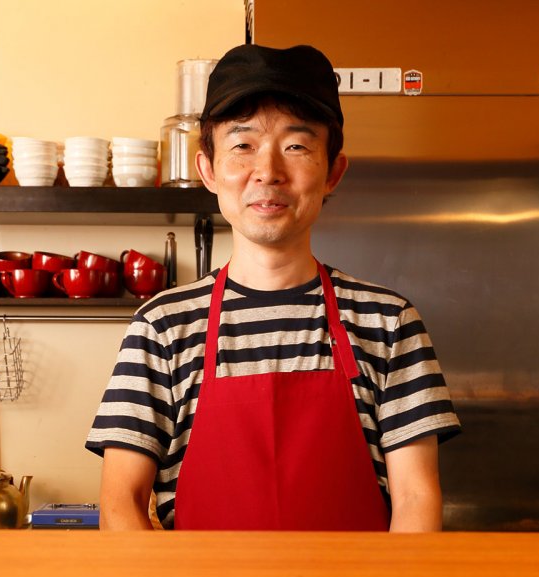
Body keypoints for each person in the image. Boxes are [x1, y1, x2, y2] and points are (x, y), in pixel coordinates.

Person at [86, 43, 460, 532]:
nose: (268, 171)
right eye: (242, 145)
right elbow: (121, 504)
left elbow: (415, 498)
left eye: (296, 146)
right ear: (209, 170)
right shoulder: (161, 327)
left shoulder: (388, 322)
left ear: (333, 172)